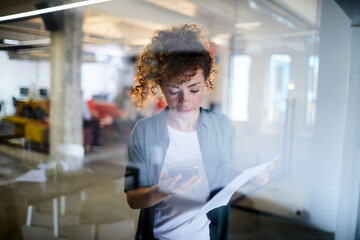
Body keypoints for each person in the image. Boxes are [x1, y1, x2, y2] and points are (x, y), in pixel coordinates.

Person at [124, 23, 270, 240]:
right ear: (161, 87)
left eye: (194, 89)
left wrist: (249, 178)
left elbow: (225, 174)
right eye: (174, 90)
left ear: (206, 82)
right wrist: (161, 190)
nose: (185, 101)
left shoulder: (222, 127)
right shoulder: (145, 132)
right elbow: (133, 199)